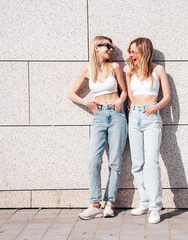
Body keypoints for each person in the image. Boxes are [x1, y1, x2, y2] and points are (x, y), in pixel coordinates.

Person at [67, 36, 127, 219]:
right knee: (94, 160)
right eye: (107, 46)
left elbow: (124, 91)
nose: (110, 49)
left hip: (116, 115)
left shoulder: (115, 67)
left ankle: (110, 203)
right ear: (96, 47)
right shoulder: (87, 70)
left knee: (115, 161)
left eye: (112, 47)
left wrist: (120, 101)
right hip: (99, 116)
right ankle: (95, 203)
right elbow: (71, 94)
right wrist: (87, 103)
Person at [126, 37, 171, 224]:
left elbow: (167, 96)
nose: (130, 55)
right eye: (129, 51)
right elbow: (131, 96)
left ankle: (155, 207)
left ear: (144, 50)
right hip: (134, 117)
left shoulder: (158, 70)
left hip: (151, 118)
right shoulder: (130, 72)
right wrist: (133, 108)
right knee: (137, 163)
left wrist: (156, 107)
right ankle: (144, 201)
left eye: (133, 51)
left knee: (151, 162)